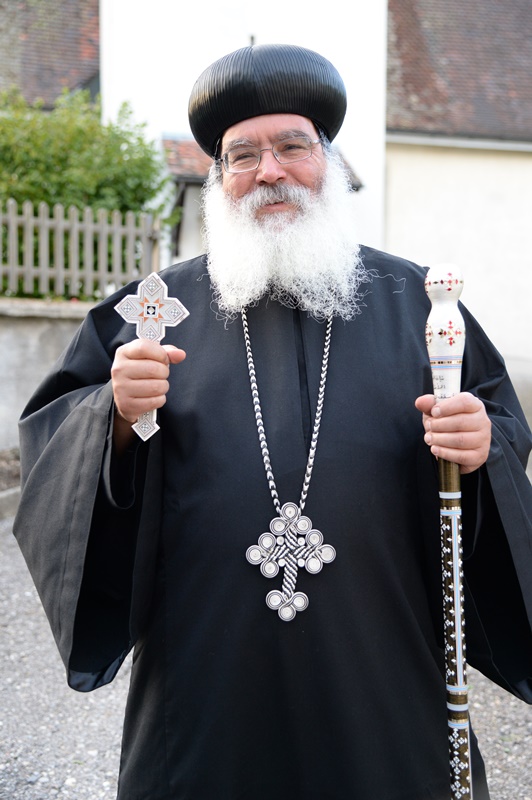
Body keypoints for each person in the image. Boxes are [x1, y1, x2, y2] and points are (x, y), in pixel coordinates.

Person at [14, 44, 532, 800]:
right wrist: (114, 418)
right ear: (218, 178)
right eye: (242, 155)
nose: (269, 171)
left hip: (382, 669)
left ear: (329, 160)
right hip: (204, 681)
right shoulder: (153, 311)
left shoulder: (421, 306)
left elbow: (501, 432)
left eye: (293, 146)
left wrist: (481, 446)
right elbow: (56, 446)